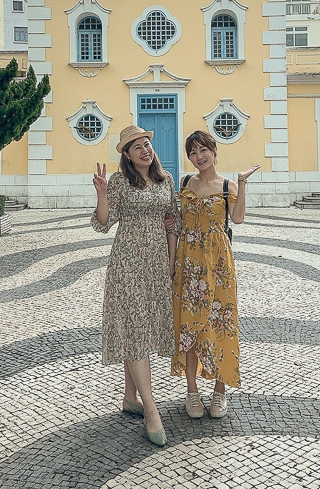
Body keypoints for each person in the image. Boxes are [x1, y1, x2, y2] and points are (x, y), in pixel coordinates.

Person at [91, 125, 179, 447]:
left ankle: (130, 397)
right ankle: (151, 410)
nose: (145, 150)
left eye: (146, 144)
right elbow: (103, 223)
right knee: (136, 330)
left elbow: (173, 222)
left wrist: (170, 263)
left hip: (156, 264)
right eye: (136, 147)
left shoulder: (165, 180)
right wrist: (102, 195)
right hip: (127, 265)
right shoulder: (119, 182)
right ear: (127, 156)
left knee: (139, 330)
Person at [171, 130, 260, 420]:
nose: (199, 157)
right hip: (188, 261)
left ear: (213, 150)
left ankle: (220, 391)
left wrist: (242, 184)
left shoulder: (226, 185)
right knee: (189, 326)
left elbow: (237, 218)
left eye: (203, 150)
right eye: (193, 153)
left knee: (221, 323)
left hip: (218, 263)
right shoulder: (184, 183)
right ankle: (192, 392)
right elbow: (175, 220)